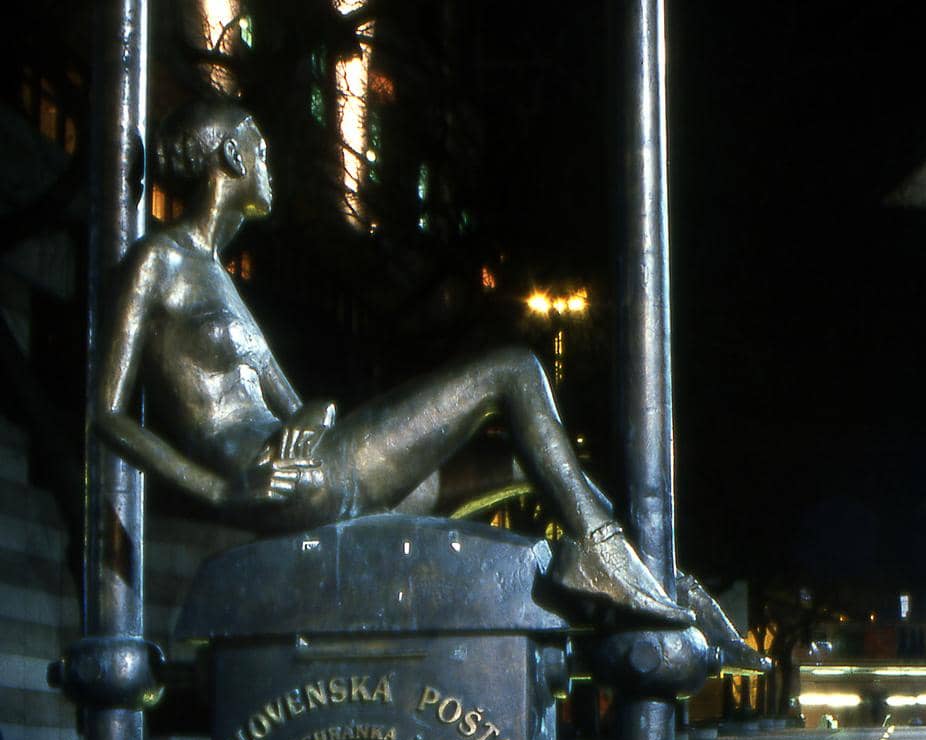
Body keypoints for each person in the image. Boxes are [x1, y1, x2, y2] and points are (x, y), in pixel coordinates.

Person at [94, 97, 758, 657]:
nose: (268, 165)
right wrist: (222, 491)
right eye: (258, 149)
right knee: (514, 368)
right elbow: (108, 414)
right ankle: (606, 560)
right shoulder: (158, 261)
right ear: (231, 158)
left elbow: (288, 409)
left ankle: (660, 579)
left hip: (321, 479)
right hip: (291, 489)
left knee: (529, 466)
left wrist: (312, 412)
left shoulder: (221, 280)